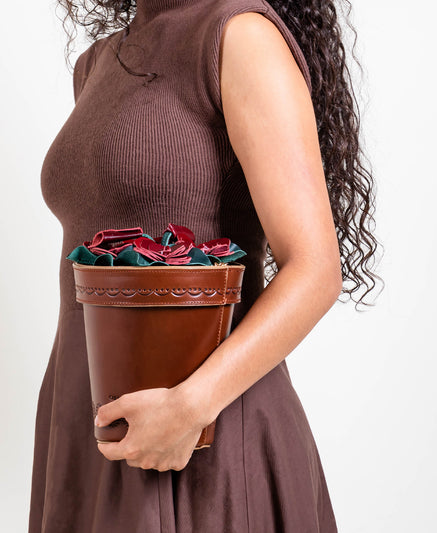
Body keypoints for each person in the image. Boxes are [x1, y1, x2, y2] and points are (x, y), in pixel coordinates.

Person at [29, 0, 382, 531]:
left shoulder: (240, 37)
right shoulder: (96, 63)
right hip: (85, 426)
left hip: (206, 437)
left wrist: (188, 409)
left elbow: (314, 270)